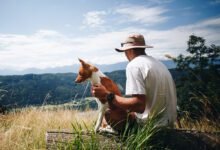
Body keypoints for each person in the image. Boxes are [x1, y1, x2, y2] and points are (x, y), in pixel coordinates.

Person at [92, 33, 177, 132]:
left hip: (149, 127)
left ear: (129, 50)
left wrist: (107, 95)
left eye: (125, 51)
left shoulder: (134, 65)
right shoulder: (160, 64)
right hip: (168, 124)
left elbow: (139, 105)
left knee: (108, 113)